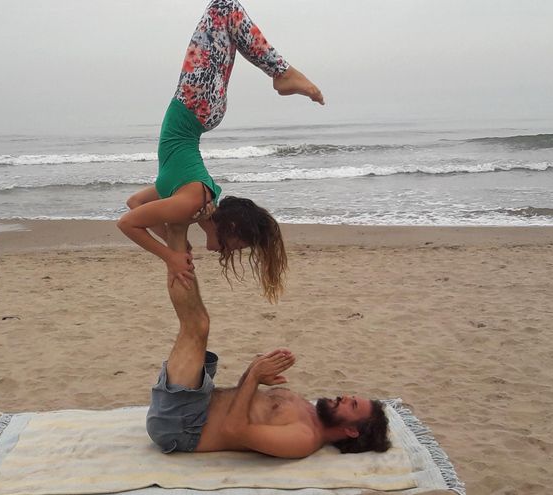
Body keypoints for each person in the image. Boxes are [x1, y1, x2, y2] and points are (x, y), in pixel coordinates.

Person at [118, 0, 324, 303]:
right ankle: (282, 73)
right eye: (236, 245)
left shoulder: (190, 199)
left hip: (199, 109)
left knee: (225, 14)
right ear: (229, 227)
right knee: (224, 7)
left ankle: (282, 74)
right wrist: (168, 257)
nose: (229, 251)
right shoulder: (190, 202)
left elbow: (134, 204)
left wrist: (172, 240)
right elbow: (126, 224)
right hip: (195, 106)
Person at [146, 224, 391, 457]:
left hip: (181, 426)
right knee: (199, 322)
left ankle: (176, 234)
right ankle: (176, 236)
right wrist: (255, 370)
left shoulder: (304, 438)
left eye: (353, 405)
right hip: (198, 402)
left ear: (351, 430)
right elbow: (242, 401)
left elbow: (234, 430)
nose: (345, 397)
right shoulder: (308, 410)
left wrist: (254, 379)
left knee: (196, 326)